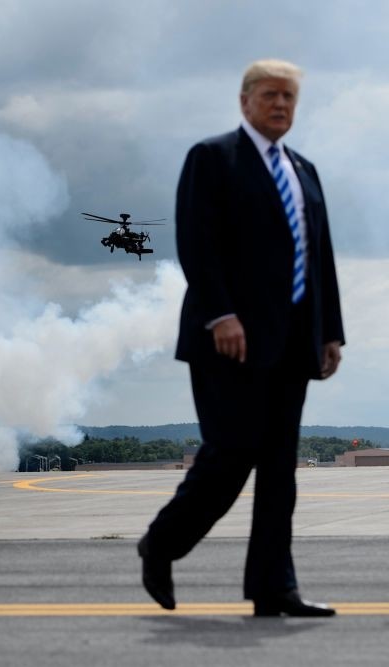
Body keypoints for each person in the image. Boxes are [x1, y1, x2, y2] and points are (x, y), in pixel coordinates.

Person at [138, 59, 345, 617]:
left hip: (294, 344)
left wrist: (330, 333)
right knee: (230, 454)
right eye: (271, 95)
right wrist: (220, 314)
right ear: (245, 101)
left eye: (290, 98)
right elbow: (195, 242)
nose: (281, 105)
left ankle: (275, 588)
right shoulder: (213, 158)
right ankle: (162, 543)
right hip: (229, 340)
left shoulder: (304, 169)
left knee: (280, 470)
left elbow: (318, 255)